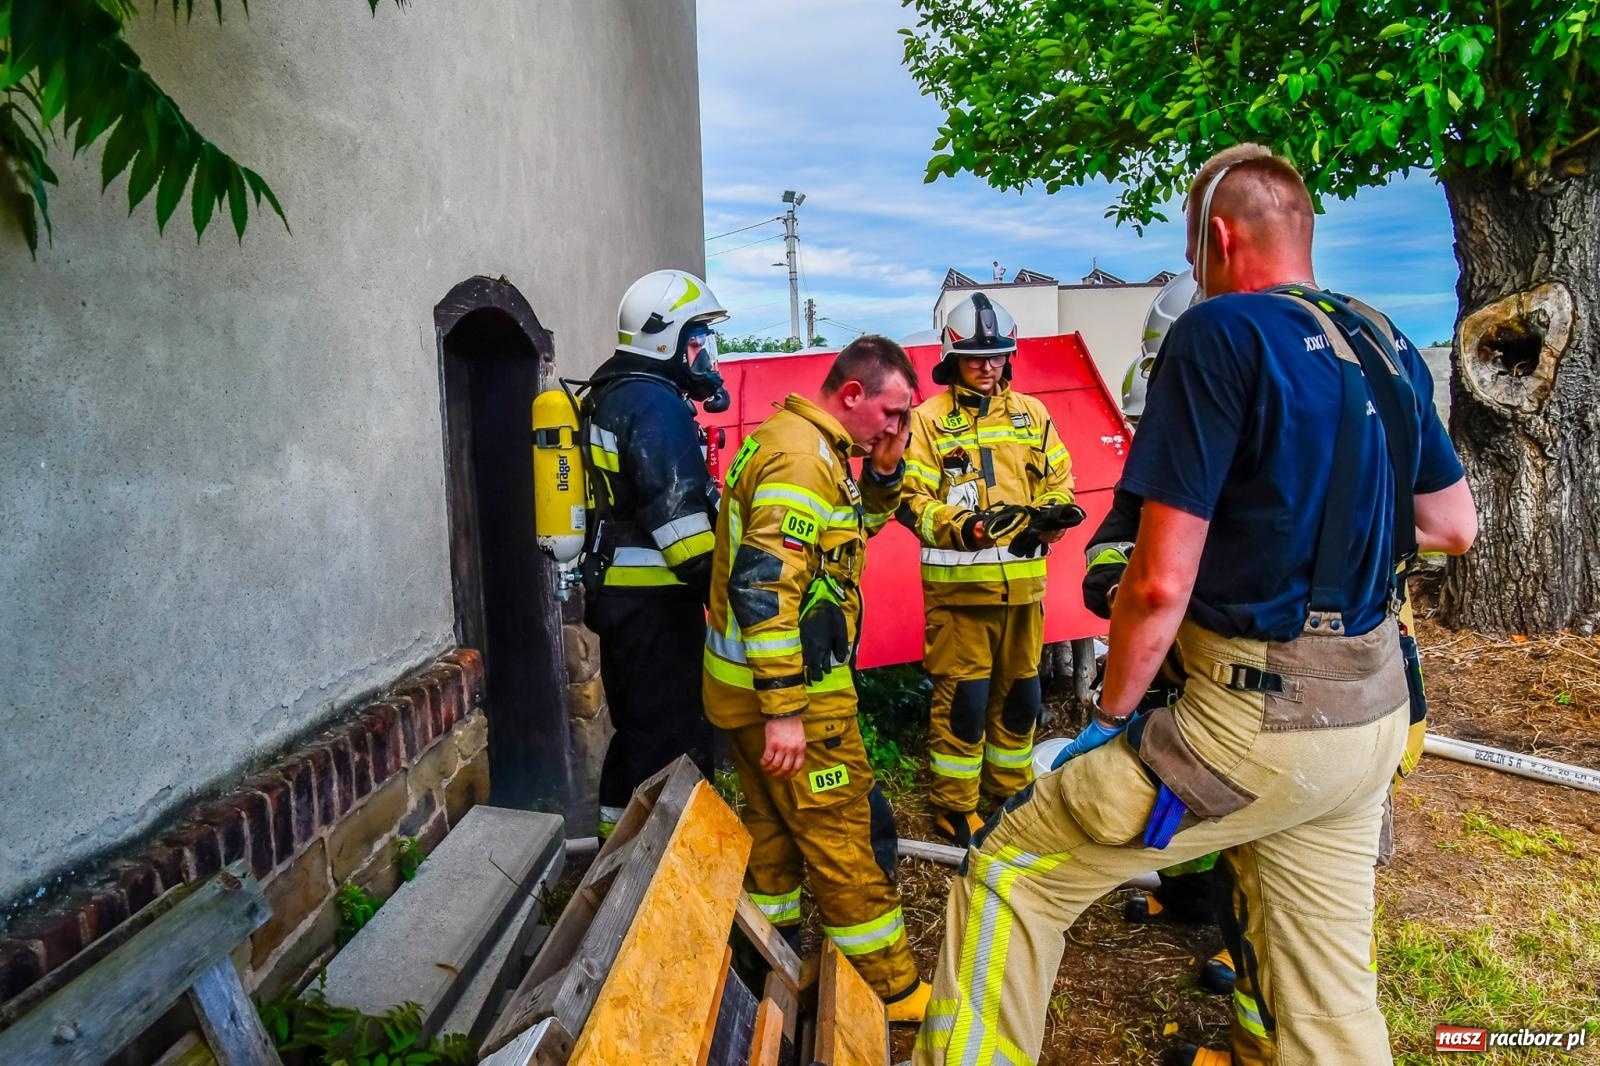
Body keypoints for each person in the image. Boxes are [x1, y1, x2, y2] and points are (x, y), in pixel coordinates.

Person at [913, 144, 1477, 1066]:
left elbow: (1161, 580)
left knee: (1011, 874)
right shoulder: (1380, 335)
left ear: (1216, 238)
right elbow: (1452, 524)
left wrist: (1114, 717)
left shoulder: (1217, 335)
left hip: (1247, 723)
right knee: (1330, 1007)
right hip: (1369, 721)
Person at [702, 335, 931, 1023]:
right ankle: (888, 991)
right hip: (793, 699)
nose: (899, 429)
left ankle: (769, 962)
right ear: (852, 394)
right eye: (892, 414)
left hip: (742, 692)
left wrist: (885, 476)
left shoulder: (802, 442)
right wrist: (786, 711)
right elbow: (765, 585)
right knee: (843, 837)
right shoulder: (803, 459)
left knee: (772, 838)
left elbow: (842, 537)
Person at [898, 293, 1080, 846]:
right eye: (977, 357)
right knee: (965, 705)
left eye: (999, 355)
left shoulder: (1033, 415)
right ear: (952, 356)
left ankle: (1011, 794)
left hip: (1025, 591)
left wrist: (1056, 514)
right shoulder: (927, 422)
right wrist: (969, 528)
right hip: (960, 597)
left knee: (1023, 697)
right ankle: (954, 808)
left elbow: (1058, 478)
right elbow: (912, 503)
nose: (989, 366)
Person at [581, 269, 729, 838]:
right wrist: (727, 590)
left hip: (622, 600)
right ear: (665, 340)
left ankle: (615, 853)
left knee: (637, 734)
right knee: (675, 739)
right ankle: (667, 874)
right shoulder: (655, 406)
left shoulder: (612, 395)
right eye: (696, 340)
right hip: (658, 604)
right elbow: (682, 527)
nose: (703, 356)